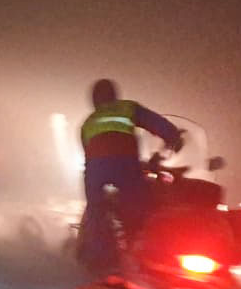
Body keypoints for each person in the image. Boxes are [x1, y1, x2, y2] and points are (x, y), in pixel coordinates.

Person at [76, 78, 184, 274]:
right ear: (114, 95)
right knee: (139, 202)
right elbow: (156, 123)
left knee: (95, 209)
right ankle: (138, 252)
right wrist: (173, 136)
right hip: (124, 163)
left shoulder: (87, 123)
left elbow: (86, 148)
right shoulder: (127, 108)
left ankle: (97, 259)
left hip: (95, 170)